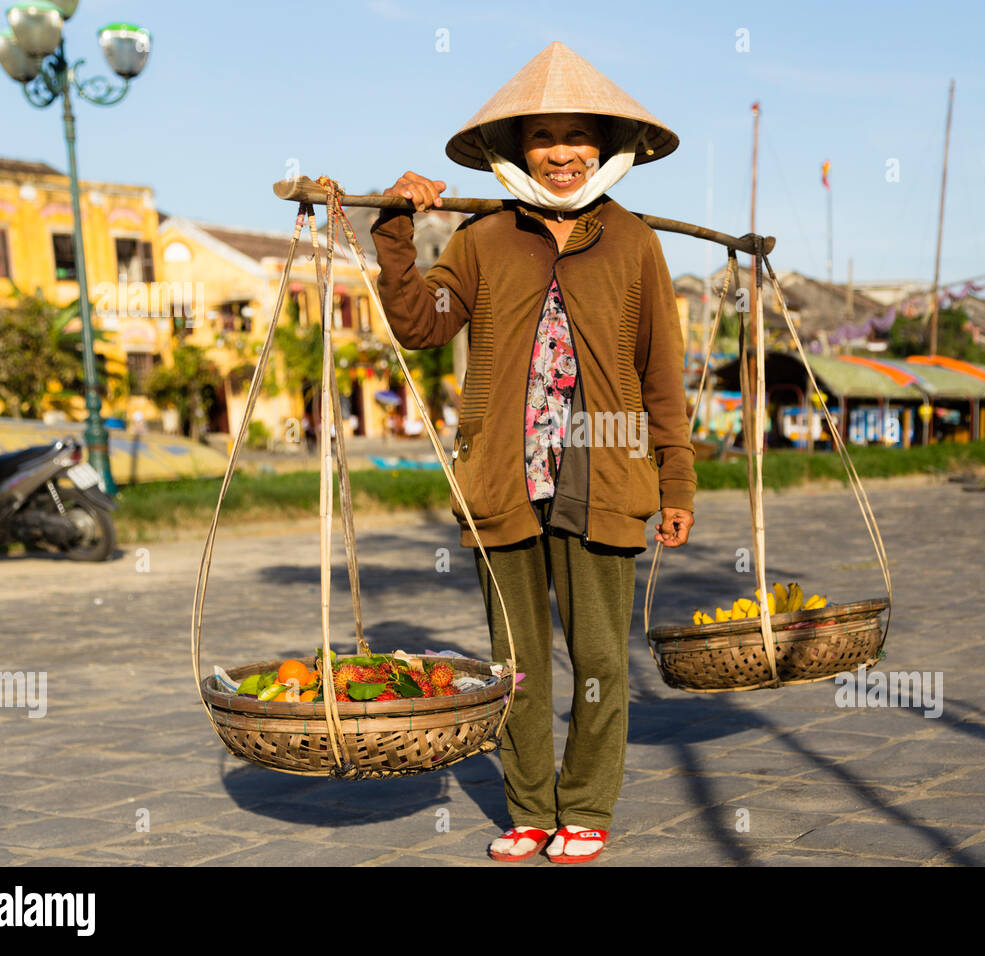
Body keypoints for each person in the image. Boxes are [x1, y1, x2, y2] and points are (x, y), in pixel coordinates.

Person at [371, 42, 695, 864]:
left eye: (576, 136)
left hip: (607, 468)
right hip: (501, 471)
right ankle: (527, 809)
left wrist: (677, 477)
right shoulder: (483, 238)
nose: (561, 154)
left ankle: (584, 805)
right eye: (543, 138)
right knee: (514, 661)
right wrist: (397, 232)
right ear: (516, 150)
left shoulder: (633, 242)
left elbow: (661, 370)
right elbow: (421, 323)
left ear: (603, 145)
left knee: (596, 657)